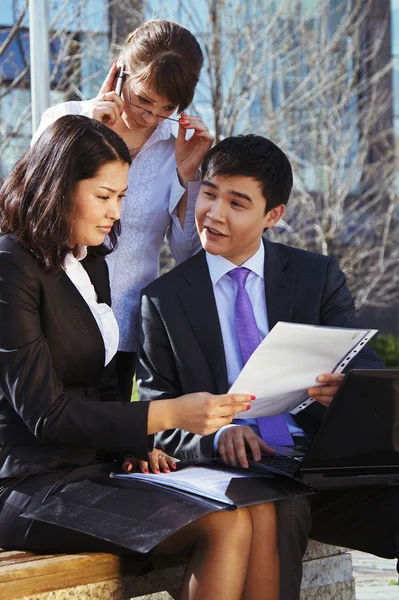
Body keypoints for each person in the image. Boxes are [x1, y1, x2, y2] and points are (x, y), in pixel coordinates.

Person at [0, 116, 284, 600]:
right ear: (57, 187)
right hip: (29, 486)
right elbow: (48, 415)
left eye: (122, 197)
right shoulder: (11, 267)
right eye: (104, 196)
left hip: (93, 470)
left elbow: (104, 388)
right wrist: (170, 415)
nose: (116, 212)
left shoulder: (89, 264)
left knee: (251, 507)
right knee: (223, 526)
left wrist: (136, 448)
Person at [136, 134, 399, 599]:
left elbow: (368, 370)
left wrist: (346, 389)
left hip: (318, 462)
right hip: (236, 471)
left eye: (237, 202)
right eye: (209, 193)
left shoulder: (316, 277)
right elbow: (157, 416)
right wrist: (217, 435)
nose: (214, 213)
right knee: (278, 508)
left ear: (272, 215)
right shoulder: (164, 299)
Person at [32, 19, 213, 400]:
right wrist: (89, 135)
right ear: (122, 70)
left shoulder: (178, 146)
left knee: (109, 447)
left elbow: (187, 252)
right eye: (143, 99)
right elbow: (36, 218)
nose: (149, 117)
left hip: (124, 325)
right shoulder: (63, 121)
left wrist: (188, 176)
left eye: (167, 108)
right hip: (52, 315)